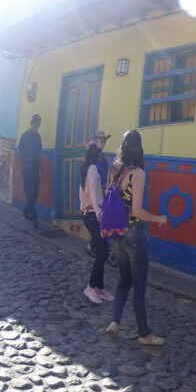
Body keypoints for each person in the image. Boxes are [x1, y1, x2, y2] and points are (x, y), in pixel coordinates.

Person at [104, 130, 168, 346]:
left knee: (124, 280)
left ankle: (114, 322)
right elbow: (138, 211)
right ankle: (144, 334)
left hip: (117, 234)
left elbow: (110, 200)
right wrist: (158, 217)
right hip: (134, 235)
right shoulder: (137, 173)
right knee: (139, 285)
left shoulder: (113, 169)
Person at [80, 143, 115, 304]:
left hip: (90, 213)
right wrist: (99, 213)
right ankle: (91, 287)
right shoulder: (93, 168)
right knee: (102, 250)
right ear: (97, 155)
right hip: (93, 215)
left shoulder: (86, 167)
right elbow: (93, 193)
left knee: (103, 249)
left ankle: (98, 287)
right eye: (100, 153)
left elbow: (83, 191)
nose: (102, 156)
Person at [18, 114, 42, 227]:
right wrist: (19, 169)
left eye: (39, 124)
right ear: (31, 123)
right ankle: (35, 218)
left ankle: (25, 213)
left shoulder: (38, 137)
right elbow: (20, 153)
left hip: (35, 168)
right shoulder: (24, 136)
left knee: (35, 193)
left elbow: (39, 153)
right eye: (36, 123)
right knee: (29, 193)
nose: (37, 126)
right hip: (27, 167)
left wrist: (39, 167)